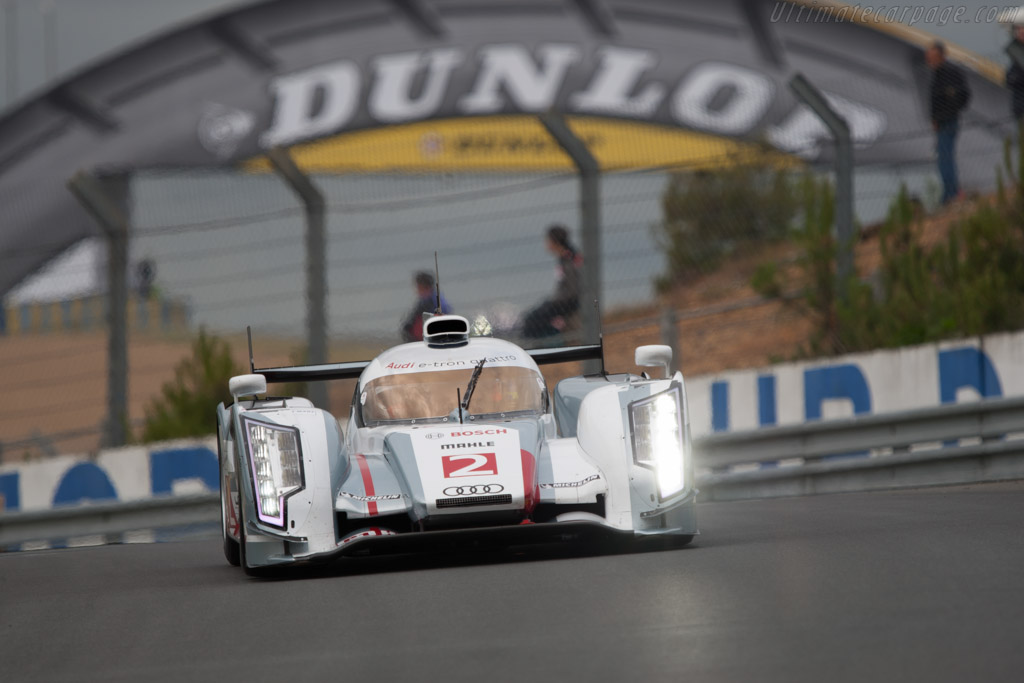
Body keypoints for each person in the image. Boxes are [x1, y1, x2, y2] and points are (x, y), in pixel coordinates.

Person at [926, 41, 971, 205]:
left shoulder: (949, 73)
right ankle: (949, 191)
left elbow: (961, 96)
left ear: (941, 56)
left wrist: (948, 113)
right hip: (942, 121)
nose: (929, 61)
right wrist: (935, 118)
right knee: (943, 157)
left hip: (948, 121)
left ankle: (951, 193)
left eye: (932, 57)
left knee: (945, 157)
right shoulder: (937, 74)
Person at [522, 224, 582, 339]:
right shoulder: (568, 257)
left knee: (531, 320)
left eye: (547, 240)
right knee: (535, 315)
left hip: (567, 304)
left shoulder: (568, 260)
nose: (546, 243)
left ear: (554, 242)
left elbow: (572, 290)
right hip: (565, 302)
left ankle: (536, 348)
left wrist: (554, 302)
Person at [400, 271, 452, 342]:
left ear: (423, 286)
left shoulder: (431, 302)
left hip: (430, 339)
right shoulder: (431, 299)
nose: (417, 290)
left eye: (418, 287)